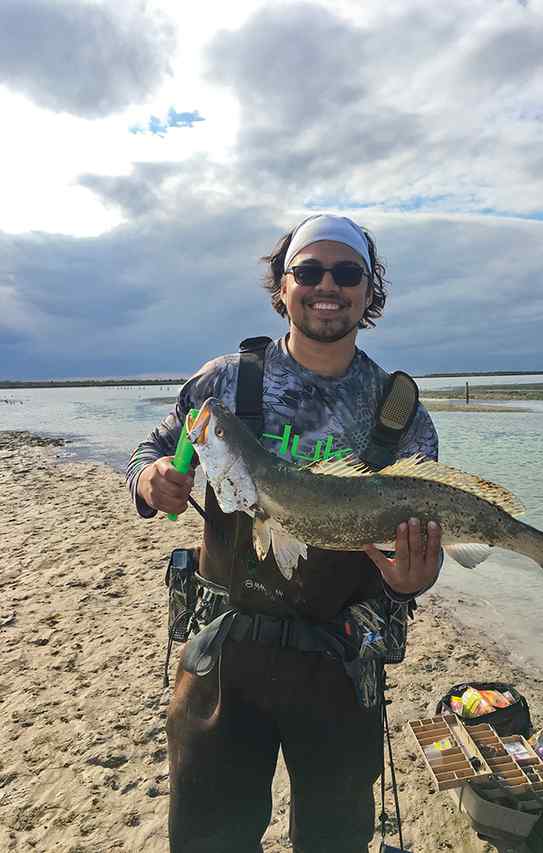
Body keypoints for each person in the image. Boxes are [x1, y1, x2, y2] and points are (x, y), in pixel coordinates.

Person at [127, 213, 443, 853]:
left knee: (334, 838)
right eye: (309, 270)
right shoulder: (223, 383)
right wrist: (150, 480)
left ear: (367, 289)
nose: (328, 285)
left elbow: (420, 555)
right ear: (283, 283)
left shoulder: (397, 411)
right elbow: (151, 453)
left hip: (341, 660)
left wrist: (416, 578)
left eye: (347, 272)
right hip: (223, 652)